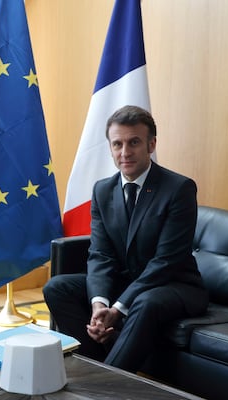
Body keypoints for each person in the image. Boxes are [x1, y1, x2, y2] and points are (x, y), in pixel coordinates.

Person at [43, 105, 208, 373]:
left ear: (151, 144)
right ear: (110, 147)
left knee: (146, 301)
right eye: (117, 144)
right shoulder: (103, 190)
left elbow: (166, 262)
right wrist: (100, 305)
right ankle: (96, 369)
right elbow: (100, 255)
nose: (125, 152)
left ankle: (107, 385)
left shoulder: (179, 188)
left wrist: (118, 309)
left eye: (134, 143)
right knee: (57, 287)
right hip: (128, 282)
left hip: (175, 285)